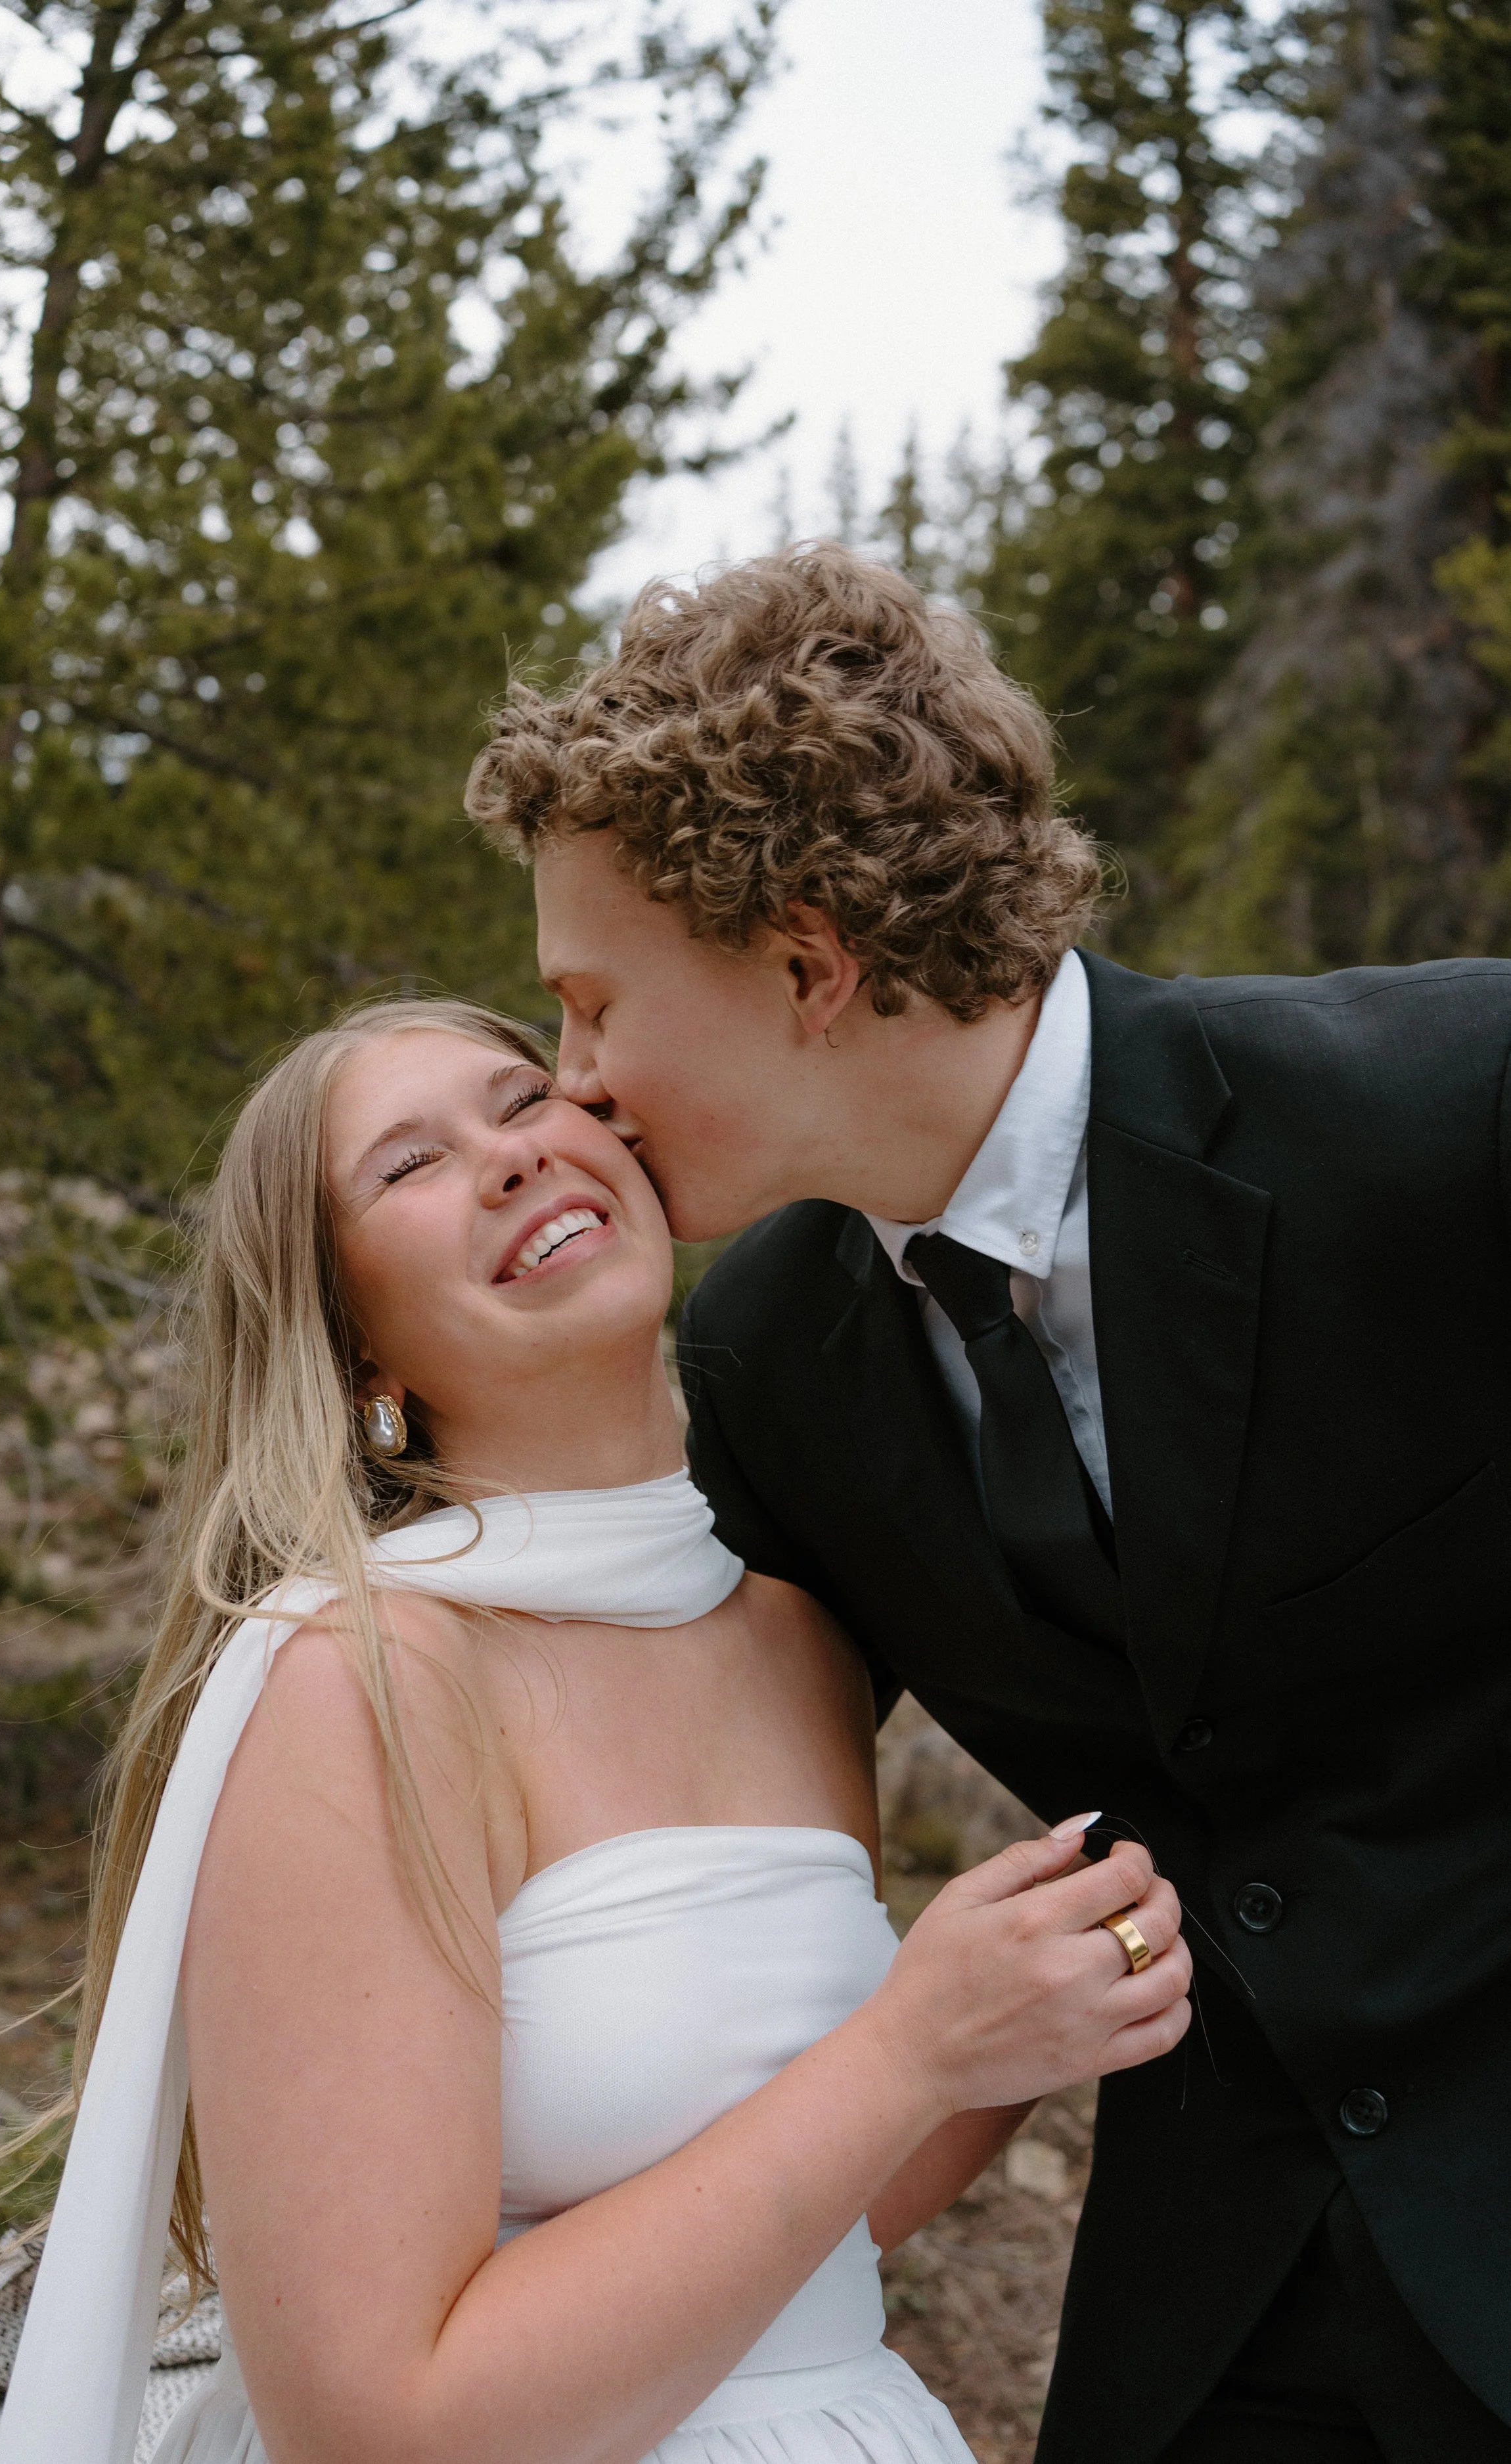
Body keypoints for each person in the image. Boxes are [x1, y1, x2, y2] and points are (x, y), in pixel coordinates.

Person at [467, 541, 1511, 2464]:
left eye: (594, 1004)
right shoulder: (766, 1364)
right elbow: (663, 1761)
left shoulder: (1449, 1101)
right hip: (1207, 2310)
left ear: (805, 957)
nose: (575, 1084)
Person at [0, 994, 1189, 2464]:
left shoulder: (791, 1642)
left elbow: (783, 2228)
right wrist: (908, 2055)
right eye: (407, 1167)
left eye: (519, 1100)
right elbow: (375, 2428)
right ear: (358, 1352)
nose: (508, 1159)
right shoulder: (362, 1683)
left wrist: (1011, 2022)